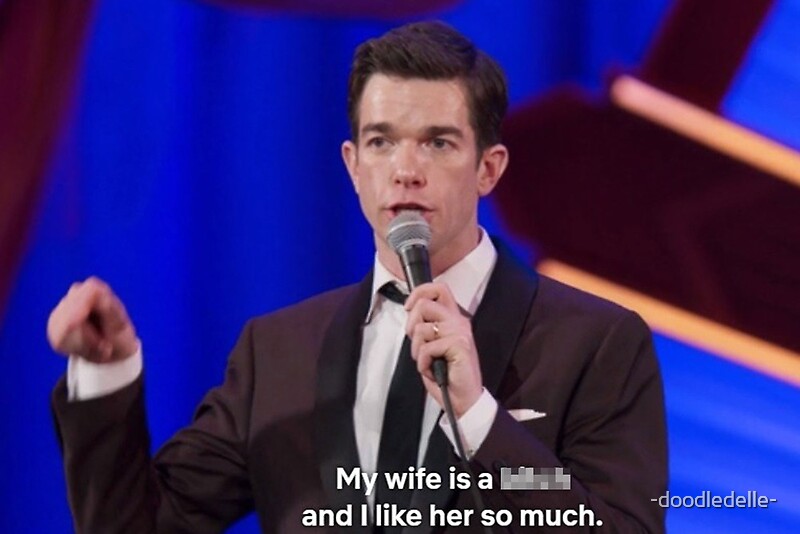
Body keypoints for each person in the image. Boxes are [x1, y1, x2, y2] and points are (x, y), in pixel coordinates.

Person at [48, 21, 667, 533]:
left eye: (438, 143)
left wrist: (479, 417)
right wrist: (107, 372)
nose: (405, 170)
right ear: (353, 165)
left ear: (489, 168)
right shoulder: (278, 353)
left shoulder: (595, 344)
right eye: (381, 142)